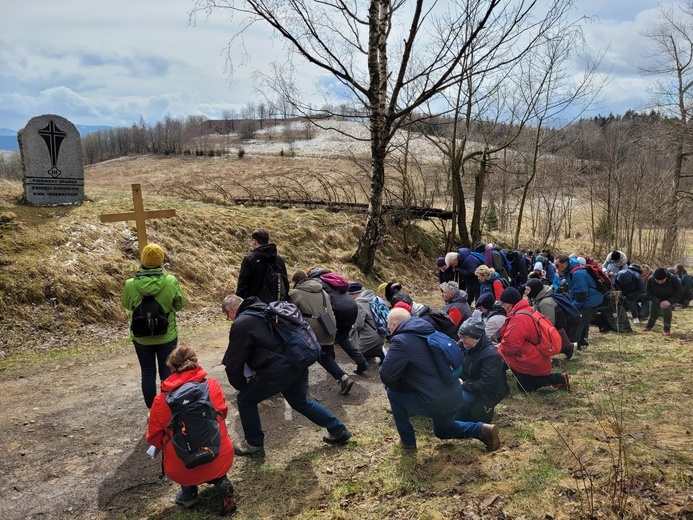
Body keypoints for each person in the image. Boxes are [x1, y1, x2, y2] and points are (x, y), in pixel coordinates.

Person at [222, 294, 352, 457]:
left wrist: (241, 385)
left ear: (230, 311)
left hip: (279, 369)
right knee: (300, 401)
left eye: (228, 317)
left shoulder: (241, 323)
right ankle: (338, 430)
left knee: (245, 399)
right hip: (298, 359)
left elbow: (234, 361)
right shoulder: (266, 309)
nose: (231, 320)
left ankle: (254, 445)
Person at [379, 307, 500, 452]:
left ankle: (407, 441)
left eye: (388, 325)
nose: (387, 329)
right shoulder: (432, 332)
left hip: (434, 400)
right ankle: (481, 430)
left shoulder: (400, 341)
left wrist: (401, 386)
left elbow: (387, 375)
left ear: (395, 326)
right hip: (454, 395)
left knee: (393, 393)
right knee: (442, 431)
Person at [146, 344, 236, 516]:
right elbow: (223, 413)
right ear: (195, 362)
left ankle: (188, 494)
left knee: (175, 445)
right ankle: (221, 480)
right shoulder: (212, 385)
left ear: (171, 368)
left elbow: (154, 439)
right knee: (216, 431)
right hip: (220, 456)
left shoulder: (161, 401)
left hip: (183, 468)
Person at [121, 243, 184, 409]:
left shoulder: (130, 284)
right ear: (161, 260)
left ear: (142, 260)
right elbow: (179, 304)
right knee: (167, 371)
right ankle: (168, 407)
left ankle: (153, 409)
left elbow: (127, 304)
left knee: (147, 372)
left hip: (141, 337)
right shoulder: (171, 281)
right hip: (167, 335)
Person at [288, 271, 354, 395]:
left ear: (295, 281)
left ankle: (341, 378)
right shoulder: (322, 290)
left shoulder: (295, 293)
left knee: (307, 354)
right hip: (329, 324)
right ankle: (341, 378)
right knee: (325, 354)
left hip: (313, 328)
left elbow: (290, 312)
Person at [496, 288, 570, 392]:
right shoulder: (528, 310)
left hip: (530, 359)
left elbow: (510, 346)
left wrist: (498, 348)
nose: (502, 306)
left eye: (503, 303)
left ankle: (558, 378)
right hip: (538, 356)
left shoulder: (519, 318)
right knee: (523, 381)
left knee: (524, 386)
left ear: (510, 303)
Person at [308, 267, 369, 374]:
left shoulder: (315, 281)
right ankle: (361, 361)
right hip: (352, 307)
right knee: (343, 338)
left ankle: (333, 367)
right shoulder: (333, 278)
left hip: (334, 311)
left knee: (329, 338)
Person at [456, 320, 509, 423]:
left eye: (464, 337)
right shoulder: (464, 346)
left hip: (484, 392)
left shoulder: (491, 355)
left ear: (476, 337)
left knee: (458, 400)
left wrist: (464, 384)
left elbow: (487, 384)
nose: (461, 340)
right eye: (460, 336)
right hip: (467, 383)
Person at [554, 254, 603, 350]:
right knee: (583, 320)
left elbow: (581, 294)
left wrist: (573, 307)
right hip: (586, 298)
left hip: (590, 299)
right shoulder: (570, 269)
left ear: (565, 264)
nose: (556, 268)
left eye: (557, 265)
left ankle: (574, 345)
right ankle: (581, 343)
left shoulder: (578, 273)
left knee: (579, 321)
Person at [525, 278, 575, 360]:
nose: (525, 292)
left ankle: (567, 348)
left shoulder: (545, 302)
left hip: (554, 328)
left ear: (534, 290)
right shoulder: (539, 297)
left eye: (527, 290)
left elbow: (548, 322)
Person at [236, 228, 288, 303]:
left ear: (254, 241)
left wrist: (239, 303)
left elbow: (243, 285)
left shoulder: (250, 259)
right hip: (276, 305)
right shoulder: (279, 259)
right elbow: (285, 281)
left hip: (254, 305)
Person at [351, 286, 388, 364]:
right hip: (381, 333)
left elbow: (359, 325)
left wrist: (352, 327)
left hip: (370, 337)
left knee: (357, 354)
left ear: (354, 295)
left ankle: (379, 352)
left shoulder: (360, 304)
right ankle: (379, 350)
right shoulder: (375, 300)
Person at [643, 268, 683, 336]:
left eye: (661, 280)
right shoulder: (650, 279)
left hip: (668, 299)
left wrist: (670, 301)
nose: (659, 282)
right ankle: (649, 326)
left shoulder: (673, 279)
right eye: (657, 280)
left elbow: (679, 292)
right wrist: (658, 302)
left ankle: (666, 329)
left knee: (667, 311)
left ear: (666, 278)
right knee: (653, 312)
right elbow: (648, 293)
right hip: (656, 298)